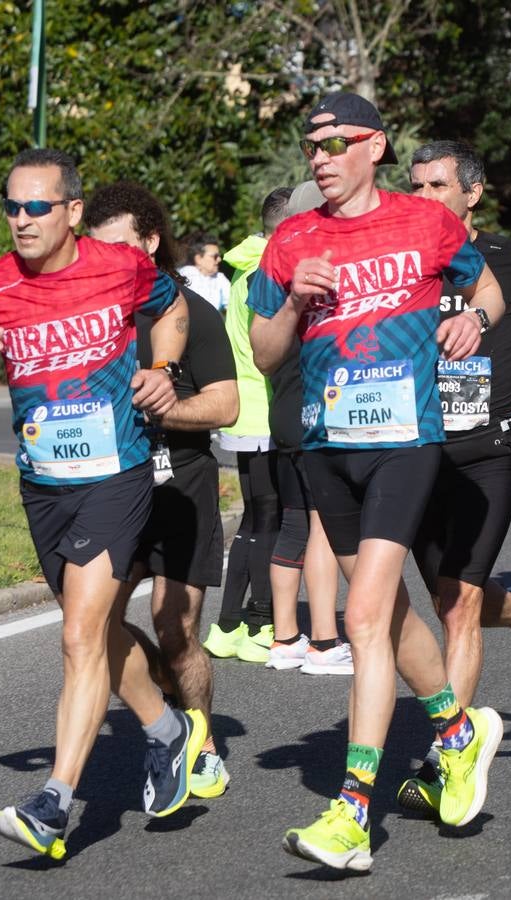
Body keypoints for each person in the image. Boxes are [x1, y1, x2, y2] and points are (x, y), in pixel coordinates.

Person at [246, 92, 507, 871]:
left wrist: (474, 321)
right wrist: (294, 301)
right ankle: (459, 735)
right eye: (311, 144)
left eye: (335, 142)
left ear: (375, 146)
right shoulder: (291, 239)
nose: (320, 156)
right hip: (328, 446)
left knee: (361, 616)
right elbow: (263, 353)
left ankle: (352, 813)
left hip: (405, 441)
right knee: (388, 616)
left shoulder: (428, 222)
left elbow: (487, 288)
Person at [0, 148, 201, 860]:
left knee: (80, 637)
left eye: (36, 207)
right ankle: (168, 730)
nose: (20, 220)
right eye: (12, 207)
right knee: (96, 632)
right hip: (43, 482)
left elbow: (171, 306)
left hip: (115, 476)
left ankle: (54, 804)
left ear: (72, 211)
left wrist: (161, 370)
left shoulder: (120, 267)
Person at [394, 141, 511, 815]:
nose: (423, 197)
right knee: (447, 592)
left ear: (471, 193)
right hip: (413, 452)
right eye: (414, 185)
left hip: (489, 446)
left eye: (437, 185)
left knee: (457, 606)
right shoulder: (395, 267)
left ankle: (447, 756)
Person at [82, 181, 239, 799]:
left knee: (175, 627)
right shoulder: (89, 313)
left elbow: (225, 405)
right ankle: (169, 713)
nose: (107, 262)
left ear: (150, 242)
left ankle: (203, 745)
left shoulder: (191, 309)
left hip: (179, 489)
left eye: (119, 248)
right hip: (109, 493)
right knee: (94, 627)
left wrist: (161, 407)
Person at [208, 183, 350, 675]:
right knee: (315, 523)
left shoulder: (256, 270)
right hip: (290, 406)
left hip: (275, 408)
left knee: (280, 520)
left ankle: (268, 631)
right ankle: (315, 639)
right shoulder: (304, 272)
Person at [178, 232, 229, 312]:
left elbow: (231, 303)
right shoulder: (185, 276)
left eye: (219, 256)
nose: (219, 259)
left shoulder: (219, 277)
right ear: (198, 259)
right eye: (214, 256)